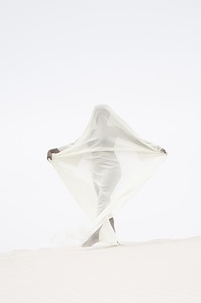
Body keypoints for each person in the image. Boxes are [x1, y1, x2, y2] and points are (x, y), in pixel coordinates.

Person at [47, 105, 166, 247]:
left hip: (112, 169)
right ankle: (113, 237)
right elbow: (76, 144)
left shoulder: (114, 130)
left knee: (103, 200)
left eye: (104, 114)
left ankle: (96, 234)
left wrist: (155, 148)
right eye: (98, 114)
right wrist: (56, 150)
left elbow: (135, 140)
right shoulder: (90, 132)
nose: (101, 117)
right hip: (96, 172)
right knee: (105, 205)